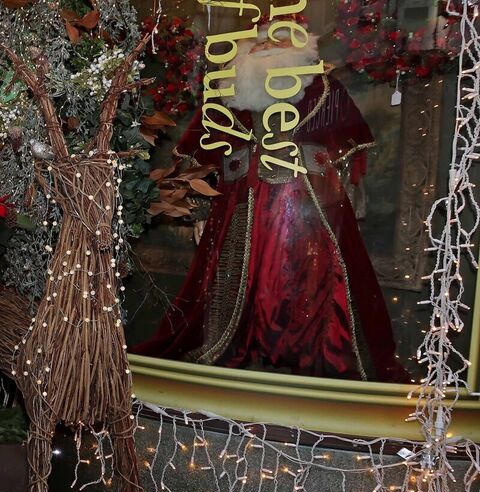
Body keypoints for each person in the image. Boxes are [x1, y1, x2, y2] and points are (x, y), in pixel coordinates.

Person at [132, 27, 409, 383]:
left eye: (276, 39)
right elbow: (202, 151)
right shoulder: (228, 88)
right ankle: (241, 351)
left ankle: (311, 358)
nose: (267, 46)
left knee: (309, 285)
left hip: (308, 207)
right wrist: (200, 209)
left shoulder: (323, 87)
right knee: (235, 282)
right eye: (260, 40)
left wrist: (347, 202)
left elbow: (349, 152)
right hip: (239, 202)